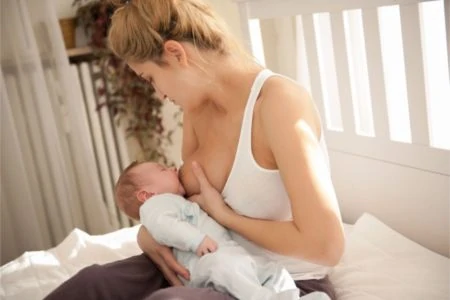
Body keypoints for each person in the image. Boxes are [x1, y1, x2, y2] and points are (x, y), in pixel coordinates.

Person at [45, 0, 344, 299]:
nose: (159, 94)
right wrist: (147, 233)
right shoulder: (196, 108)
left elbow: (326, 246)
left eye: (150, 79)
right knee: (90, 283)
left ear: (176, 53)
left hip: (271, 282)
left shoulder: (279, 104)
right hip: (202, 264)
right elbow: (185, 204)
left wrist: (227, 217)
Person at [114, 160, 300, 300]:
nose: (172, 168)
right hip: (205, 261)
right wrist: (196, 241)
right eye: (163, 169)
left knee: (273, 271)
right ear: (147, 195)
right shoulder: (156, 205)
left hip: (228, 253)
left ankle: (290, 296)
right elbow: (165, 226)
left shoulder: (173, 202)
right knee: (229, 270)